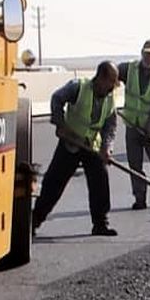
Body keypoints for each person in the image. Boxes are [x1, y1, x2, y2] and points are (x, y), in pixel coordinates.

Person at [32, 62, 120, 237]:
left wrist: (107, 148)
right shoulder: (78, 87)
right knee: (53, 184)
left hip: (91, 145)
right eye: (110, 82)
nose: (112, 87)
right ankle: (33, 222)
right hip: (70, 143)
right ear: (100, 78)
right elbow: (57, 98)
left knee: (100, 183)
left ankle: (100, 224)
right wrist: (60, 123)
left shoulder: (110, 98)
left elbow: (110, 125)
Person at [118, 40, 150, 210]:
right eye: (147, 54)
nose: (149, 58)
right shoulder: (128, 69)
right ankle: (140, 198)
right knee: (135, 164)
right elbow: (110, 72)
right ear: (141, 53)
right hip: (132, 126)